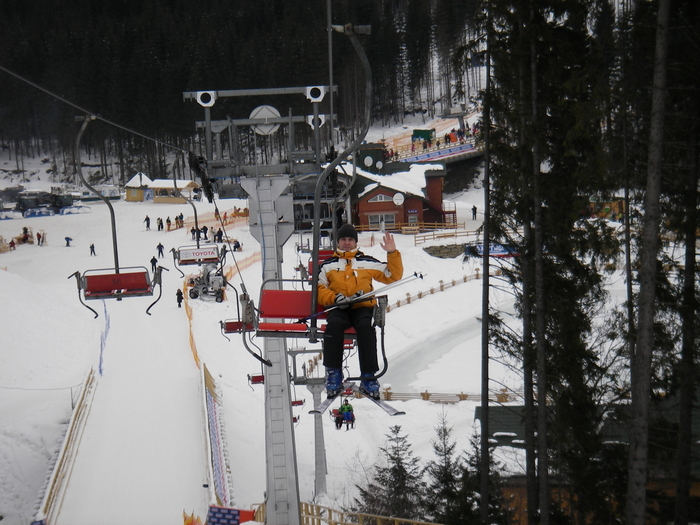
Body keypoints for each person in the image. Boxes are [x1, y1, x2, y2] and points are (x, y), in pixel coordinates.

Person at [317, 224, 403, 399]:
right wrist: (335, 298)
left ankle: (368, 376)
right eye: (343, 240)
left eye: (350, 240)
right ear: (338, 242)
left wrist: (392, 253)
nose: (347, 243)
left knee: (366, 326)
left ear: (355, 242)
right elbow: (319, 289)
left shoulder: (367, 262)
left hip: (362, 306)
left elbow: (392, 275)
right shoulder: (327, 265)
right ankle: (333, 373)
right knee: (334, 325)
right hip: (338, 307)